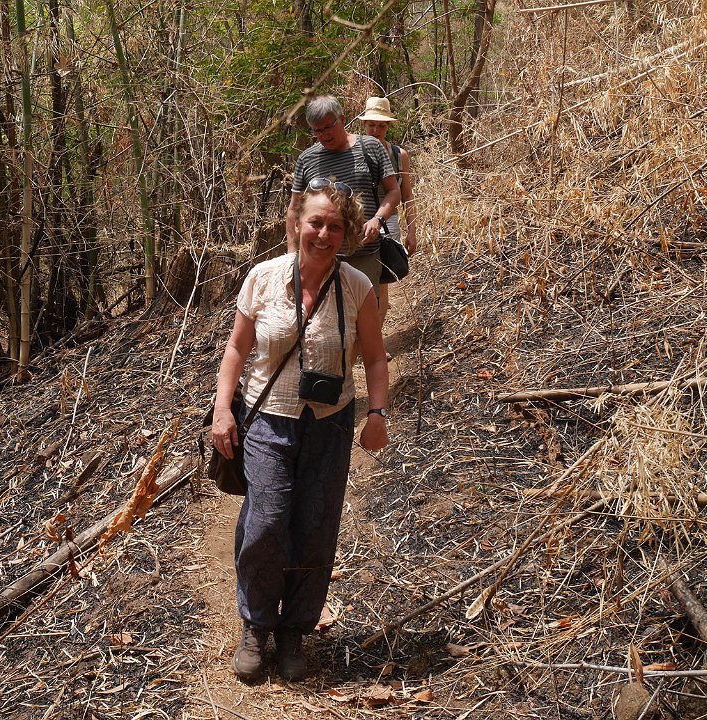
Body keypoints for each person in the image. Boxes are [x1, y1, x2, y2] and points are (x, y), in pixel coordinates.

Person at [212, 179, 389, 682]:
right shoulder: (263, 278)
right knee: (266, 522)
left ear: (346, 232)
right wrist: (223, 409)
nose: (323, 234)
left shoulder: (356, 287)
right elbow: (236, 349)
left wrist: (377, 414)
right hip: (268, 420)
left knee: (315, 527)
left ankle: (294, 630)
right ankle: (256, 625)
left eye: (334, 226)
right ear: (296, 223)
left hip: (330, 425)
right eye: (315, 223)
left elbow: (376, 359)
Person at [286, 95, 400, 311]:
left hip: (365, 253)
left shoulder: (371, 147)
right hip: (321, 256)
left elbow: (393, 192)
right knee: (324, 316)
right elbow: (294, 209)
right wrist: (292, 255)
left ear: (342, 119)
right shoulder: (307, 159)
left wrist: (377, 220)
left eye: (329, 127)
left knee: (365, 314)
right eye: (317, 130)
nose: (324, 135)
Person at [359, 96, 418, 327]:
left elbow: (407, 195)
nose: (376, 130)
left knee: (380, 283)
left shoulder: (398, 155)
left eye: (381, 125)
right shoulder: (353, 151)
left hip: (388, 223)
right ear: (364, 124)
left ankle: (375, 340)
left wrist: (412, 231)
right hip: (359, 222)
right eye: (371, 125)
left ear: (388, 126)